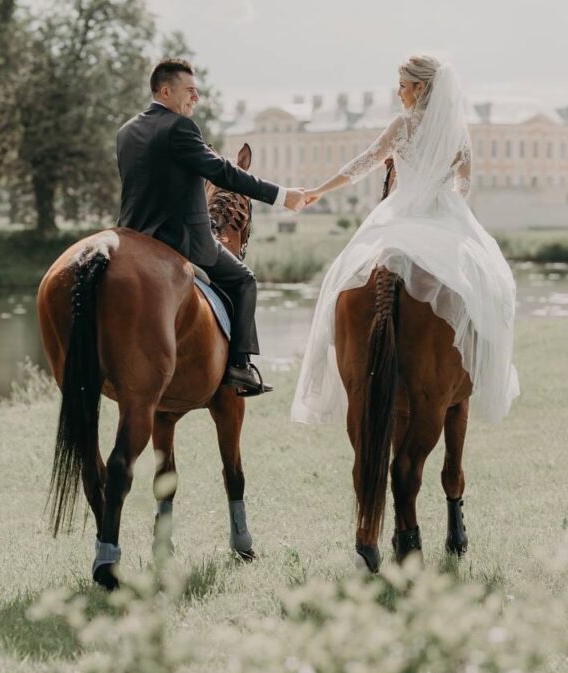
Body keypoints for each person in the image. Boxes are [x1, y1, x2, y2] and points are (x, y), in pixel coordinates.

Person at [291, 54, 520, 424]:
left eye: (402, 86)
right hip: (445, 215)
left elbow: (363, 163)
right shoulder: (458, 132)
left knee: (343, 274)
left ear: (420, 88)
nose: (398, 93)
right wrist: (441, 199)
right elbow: (465, 184)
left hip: (399, 213)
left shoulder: (402, 126)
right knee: (495, 284)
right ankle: (483, 364)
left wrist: (319, 190)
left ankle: (328, 364)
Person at [116, 59, 307, 395]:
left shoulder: (126, 131)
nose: (196, 97)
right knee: (245, 280)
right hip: (181, 241)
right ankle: (239, 367)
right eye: (190, 90)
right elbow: (224, 173)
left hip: (133, 239)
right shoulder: (180, 128)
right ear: (165, 90)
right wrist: (281, 195)